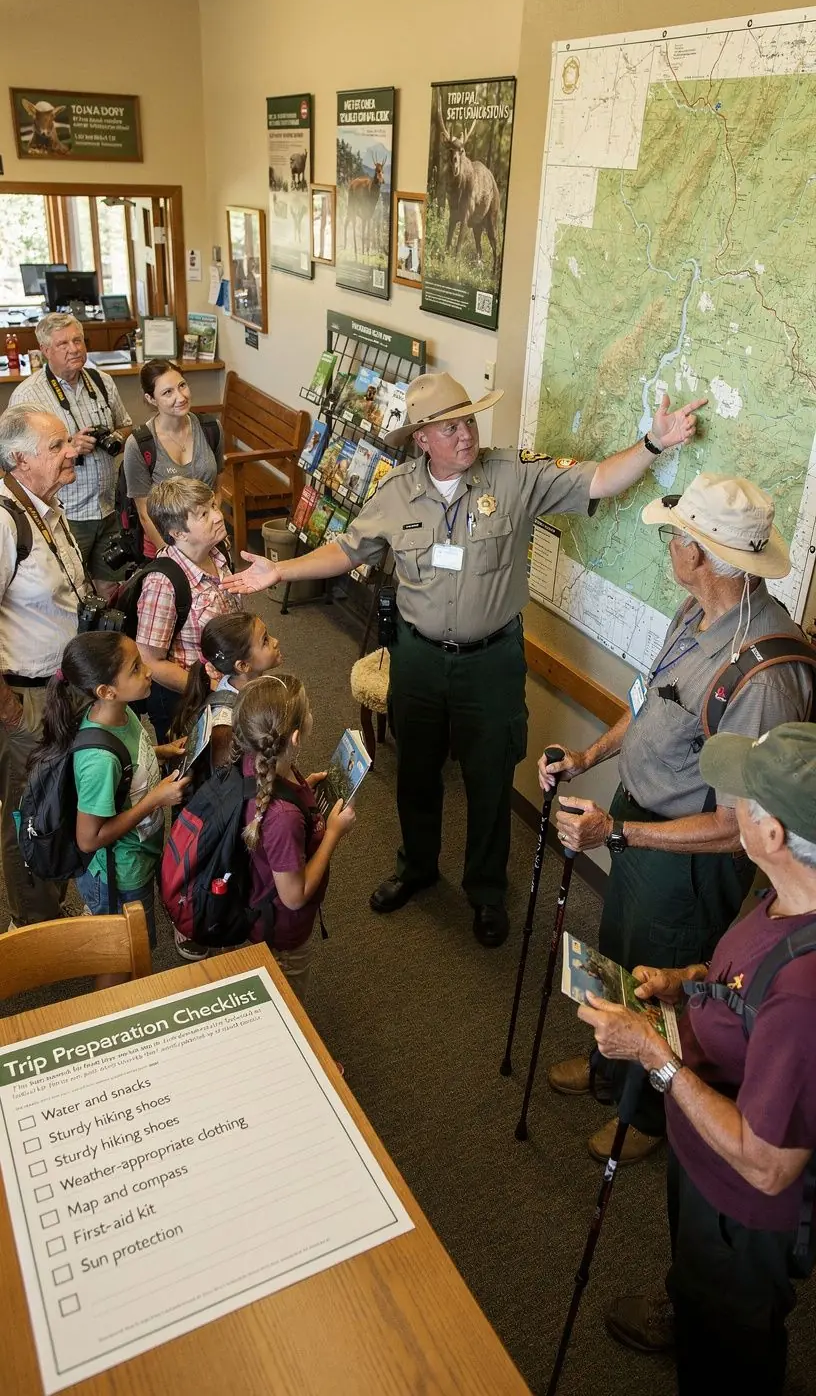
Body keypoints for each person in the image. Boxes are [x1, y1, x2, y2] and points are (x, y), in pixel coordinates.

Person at [225, 371, 706, 948]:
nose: (465, 434)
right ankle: (417, 866)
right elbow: (346, 549)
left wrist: (654, 442)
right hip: (419, 659)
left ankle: (485, 892)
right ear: (422, 438)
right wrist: (281, 569)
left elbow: (600, 479)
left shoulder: (514, 475)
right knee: (417, 771)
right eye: (449, 426)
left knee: (489, 778)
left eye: (469, 420)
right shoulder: (396, 491)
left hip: (491, 662)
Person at [541, 474, 814, 1163]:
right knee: (625, 959)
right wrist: (588, 754)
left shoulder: (765, 676)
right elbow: (647, 702)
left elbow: (737, 824)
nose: (670, 547)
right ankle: (610, 1070)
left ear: (699, 554)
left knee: (671, 986)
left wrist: (622, 833)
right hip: (637, 832)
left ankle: (648, 1117)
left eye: (675, 536)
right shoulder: (693, 613)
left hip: (686, 861)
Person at [578, 722, 816, 1396]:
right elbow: (744, 983)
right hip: (705, 1161)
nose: (728, 804)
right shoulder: (787, 895)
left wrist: (654, 1054)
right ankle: (688, 1311)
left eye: (745, 797)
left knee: (731, 1354)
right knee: (700, 1293)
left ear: (773, 836)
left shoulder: (806, 999)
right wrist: (686, 982)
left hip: (741, 1211)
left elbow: (768, 1167)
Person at [33, 632, 189, 971]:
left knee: (131, 946)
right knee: (124, 957)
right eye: (135, 668)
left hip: (137, 857)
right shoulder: (99, 762)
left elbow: (129, 765)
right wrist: (155, 801)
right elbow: (88, 839)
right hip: (119, 874)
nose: (148, 671)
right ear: (106, 691)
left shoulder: (123, 712)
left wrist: (161, 752)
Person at [0, 405, 89, 929]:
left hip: (61, 688)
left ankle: (51, 902)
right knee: (28, 815)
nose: (70, 452)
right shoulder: (6, 520)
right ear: (19, 460)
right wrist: (8, 709)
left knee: (57, 802)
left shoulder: (43, 506)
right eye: (56, 447)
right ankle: (34, 928)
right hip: (25, 696)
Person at [233, 674, 356, 1002]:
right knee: (287, 1003)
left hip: (258, 900)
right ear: (297, 736)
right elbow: (294, 895)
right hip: (282, 932)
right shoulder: (283, 819)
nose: (314, 712)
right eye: (310, 709)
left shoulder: (258, 762)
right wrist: (333, 834)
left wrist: (305, 790)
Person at [8, 312, 132, 594]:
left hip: (107, 507)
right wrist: (68, 447)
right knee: (70, 591)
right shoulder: (28, 396)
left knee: (111, 589)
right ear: (45, 350)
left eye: (78, 340)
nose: (74, 349)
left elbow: (125, 425)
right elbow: (17, 461)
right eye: (63, 344)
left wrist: (113, 436)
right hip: (63, 513)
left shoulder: (101, 382)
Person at [134, 478, 239, 742]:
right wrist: (212, 690)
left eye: (213, 506)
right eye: (204, 514)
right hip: (191, 705)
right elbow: (149, 661)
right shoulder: (163, 582)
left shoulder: (218, 552)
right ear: (177, 533)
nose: (218, 516)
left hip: (229, 689)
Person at [123, 360, 226, 558]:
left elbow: (217, 489)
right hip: (164, 546)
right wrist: (172, 555)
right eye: (167, 392)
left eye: (182, 385)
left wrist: (209, 532)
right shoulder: (139, 444)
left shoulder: (211, 429)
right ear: (151, 399)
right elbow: (145, 513)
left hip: (209, 541)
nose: (180, 397)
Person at [170, 611, 282, 770]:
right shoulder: (225, 727)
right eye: (265, 641)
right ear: (243, 666)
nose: (275, 641)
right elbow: (227, 780)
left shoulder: (241, 684)